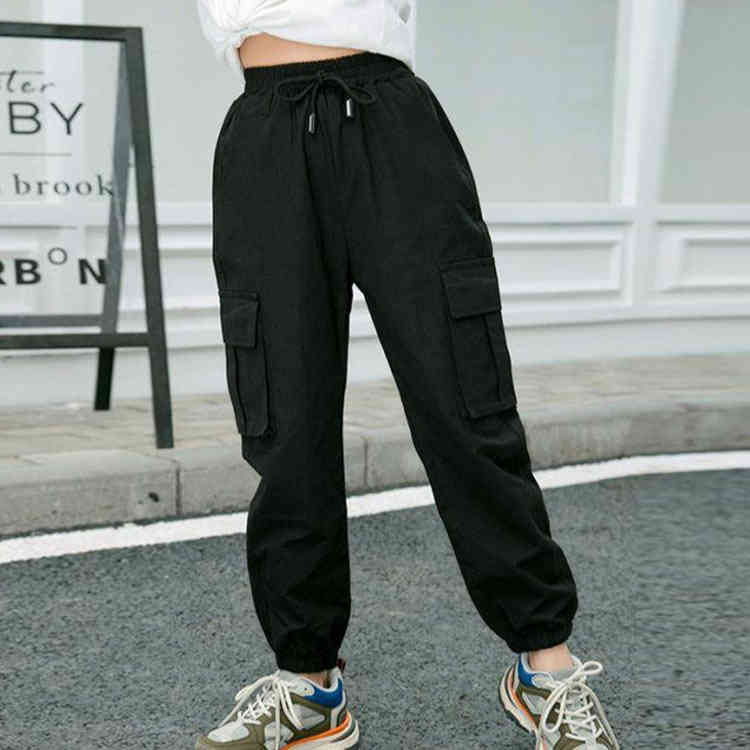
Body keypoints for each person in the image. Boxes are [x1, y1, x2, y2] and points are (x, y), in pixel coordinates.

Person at [195, 2, 620, 749]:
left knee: (465, 403)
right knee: (283, 421)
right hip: (264, 136)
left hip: (391, 125)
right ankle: (309, 686)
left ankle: (545, 665)